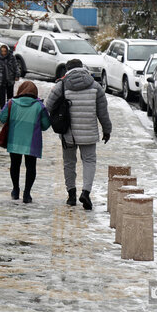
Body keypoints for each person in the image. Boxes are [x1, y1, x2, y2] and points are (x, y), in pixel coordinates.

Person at [45, 58, 112, 210]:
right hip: (89, 133)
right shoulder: (95, 86)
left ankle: (71, 195)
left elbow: (48, 106)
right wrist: (107, 130)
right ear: (82, 68)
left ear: (67, 69)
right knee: (89, 161)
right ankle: (86, 193)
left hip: (68, 133)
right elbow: (103, 113)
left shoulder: (61, 85)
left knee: (69, 162)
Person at [0, 81, 51, 203]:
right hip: (32, 142)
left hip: (14, 139)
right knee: (31, 167)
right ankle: (27, 193)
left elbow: (2, 118)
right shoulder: (39, 106)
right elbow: (46, 125)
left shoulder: (12, 103)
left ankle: (15, 190)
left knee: (15, 165)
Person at [0, 44, 19, 109]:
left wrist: (17, 75)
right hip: (1, 80)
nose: (3, 53)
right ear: (0, 51)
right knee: (1, 97)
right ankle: (3, 109)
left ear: (7, 51)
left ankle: (9, 109)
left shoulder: (11, 57)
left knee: (10, 96)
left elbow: (16, 67)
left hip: (10, 80)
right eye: (2, 51)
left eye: (5, 51)